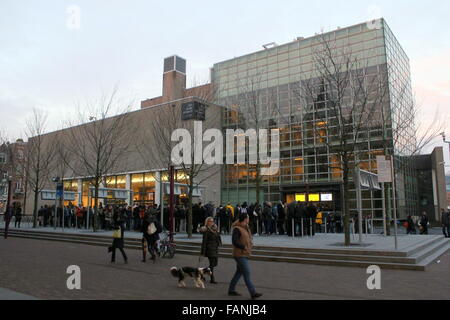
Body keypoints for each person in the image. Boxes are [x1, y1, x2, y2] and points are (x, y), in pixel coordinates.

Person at [228, 213, 262, 299]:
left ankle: (231, 290)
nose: (249, 219)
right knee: (247, 273)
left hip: (244, 253)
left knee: (238, 273)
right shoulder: (237, 229)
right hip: (240, 254)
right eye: (248, 218)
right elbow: (234, 241)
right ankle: (253, 292)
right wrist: (244, 246)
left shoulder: (246, 228)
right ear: (245, 219)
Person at [199, 217, 222, 284]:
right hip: (209, 249)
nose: (212, 222)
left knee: (215, 263)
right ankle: (212, 279)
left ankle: (202, 272)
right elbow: (204, 241)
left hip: (215, 248)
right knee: (212, 264)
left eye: (212, 221)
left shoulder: (215, 229)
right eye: (210, 221)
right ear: (207, 222)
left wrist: (219, 242)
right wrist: (202, 252)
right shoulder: (206, 230)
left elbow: (218, 236)